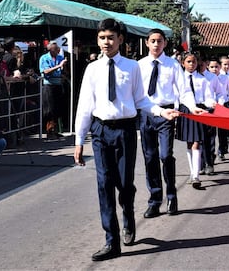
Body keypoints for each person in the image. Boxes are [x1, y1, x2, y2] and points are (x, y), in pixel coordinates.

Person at [73, 18, 177, 262]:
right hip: (100, 131)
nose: (106, 42)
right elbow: (84, 106)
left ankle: (128, 216)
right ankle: (112, 241)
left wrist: (161, 111)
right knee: (104, 183)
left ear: (120, 40)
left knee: (124, 184)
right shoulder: (92, 69)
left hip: (125, 131)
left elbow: (141, 100)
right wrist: (79, 140)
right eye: (102, 38)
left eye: (110, 37)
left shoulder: (132, 67)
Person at [138, 29, 186, 218]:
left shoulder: (173, 65)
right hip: (147, 112)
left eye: (159, 41)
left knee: (166, 155)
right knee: (150, 157)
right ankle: (155, 199)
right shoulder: (139, 65)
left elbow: (183, 90)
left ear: (165, 43)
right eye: (153, 41)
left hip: (167, 114)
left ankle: (172, 195)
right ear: (147, 43)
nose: (156, 44)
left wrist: (189, 106)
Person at [175, 52, 214, 189]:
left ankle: (196, 174)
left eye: (194, 62)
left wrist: (211, 104)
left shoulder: (203, 80)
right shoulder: (179, 79)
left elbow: (208, 96)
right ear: (183, 63)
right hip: (185, 110)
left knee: (197, 143)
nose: (191, 64)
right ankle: (192, 172)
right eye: (188, 62)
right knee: (189, 142)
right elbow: (177, 96)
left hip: (199, 110)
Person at [39, 41, 67, 138]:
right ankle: (48, 130)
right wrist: (59, 66)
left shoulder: (60, 58)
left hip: (58, 84)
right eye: (56, 49)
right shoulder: (44, 58)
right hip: (48, 85)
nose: (58, 51)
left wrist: (63, 72)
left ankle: (55, 130)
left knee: (57, 108)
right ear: (50, 50)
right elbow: (46, 71)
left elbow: (63, 71)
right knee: (49, 109)